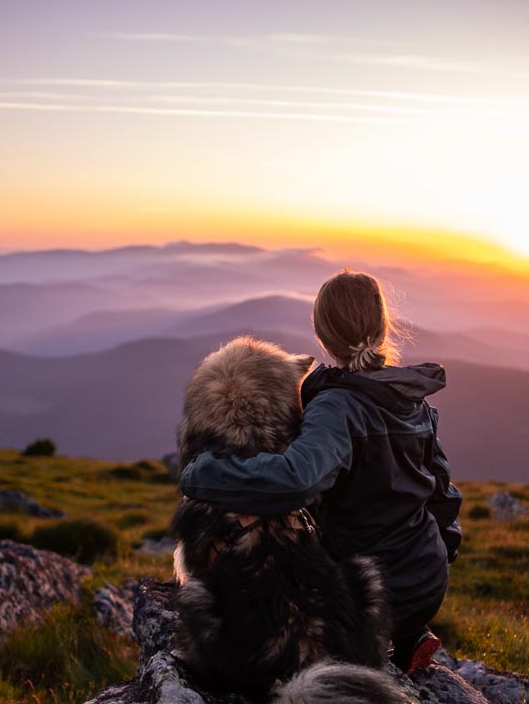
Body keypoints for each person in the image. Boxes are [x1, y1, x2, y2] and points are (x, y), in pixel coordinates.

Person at [179, 269, 462, 674]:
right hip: (429, 581)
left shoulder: (337, 406)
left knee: (284, 576)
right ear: (383, 327)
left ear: (321, 333)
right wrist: (437, 561)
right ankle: (407, 633)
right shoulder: (409, 396)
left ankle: (371, 635)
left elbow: (295, 480)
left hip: (368, 590)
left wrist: (203, 473)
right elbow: (443, 495)